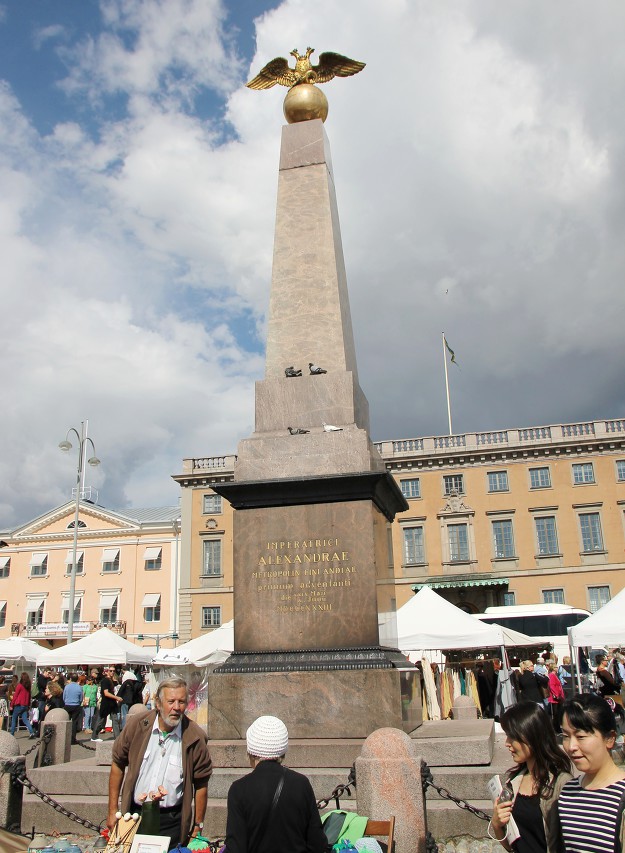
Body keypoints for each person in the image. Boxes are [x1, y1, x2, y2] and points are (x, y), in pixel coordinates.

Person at [108, 677, 212, 851]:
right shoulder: (137, 726)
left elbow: (201, 783)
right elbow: (117, 764)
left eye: (181, 702)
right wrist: (112, 810)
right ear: (158, 702)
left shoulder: (195, 736)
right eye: (171, 701)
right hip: (135, 815)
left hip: (171, 820)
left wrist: (197, 825)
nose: (176, 708)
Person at [225, 715, 327, 853]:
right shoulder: (301, 784)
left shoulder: (239, 790)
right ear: (283, 750)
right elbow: (317, 842)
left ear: (250, 751)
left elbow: (236, 847)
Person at [488, 701, 572, 852]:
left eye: (512, 737)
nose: (507, 743)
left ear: (530, 736)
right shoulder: (513, 782)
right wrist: (497, 824)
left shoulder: (561, 783)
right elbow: (513, 845)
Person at [558, 693, 625, 851]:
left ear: (609, 738)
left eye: (581, 736)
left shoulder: (621, 795)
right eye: (566, 736)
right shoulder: (567, 792)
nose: (571, 746)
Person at [91, 666, 123, 741]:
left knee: (115, 720)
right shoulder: (105, 681)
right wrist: (116, 698)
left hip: (112, 703)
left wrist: (114, 680)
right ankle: (94, 736)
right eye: (110, 671)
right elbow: (106, 693)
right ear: (107, 671)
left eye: (113, 671)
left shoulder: (111, 680)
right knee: (101, 719)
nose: (112, 672)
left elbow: (115, 684)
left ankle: (117, 737)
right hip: (106, 703)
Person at [9, 672, 36, 737]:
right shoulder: (28, 686)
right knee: (25, 719)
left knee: (14, 719)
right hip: (25, 705)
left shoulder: (19, 686)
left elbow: (15, 696)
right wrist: (29, 705)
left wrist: (11, 705)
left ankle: (12, 734)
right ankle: (31, 732)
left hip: (19, 704)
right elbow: (29, 696)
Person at [62, 672, 84, 744]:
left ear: (70, 679)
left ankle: (65, 738)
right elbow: (81, 698)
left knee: (66, 722)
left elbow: (64, 697)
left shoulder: (67, 686)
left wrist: (66, 702)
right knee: (74, 723)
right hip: (76, 705)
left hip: (67, 705)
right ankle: (72, 739)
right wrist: (78, 703)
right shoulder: (79, 687)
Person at [547, 661, 565, 733]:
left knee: (558, 713)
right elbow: (552, 686)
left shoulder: (555, 675)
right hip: (555, 698)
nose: (557, 668)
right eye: (556, 667)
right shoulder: (552, 675)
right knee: (555, 714)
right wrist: (557, 694)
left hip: (558, 697)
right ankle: (556, 728)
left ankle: (557, 727)